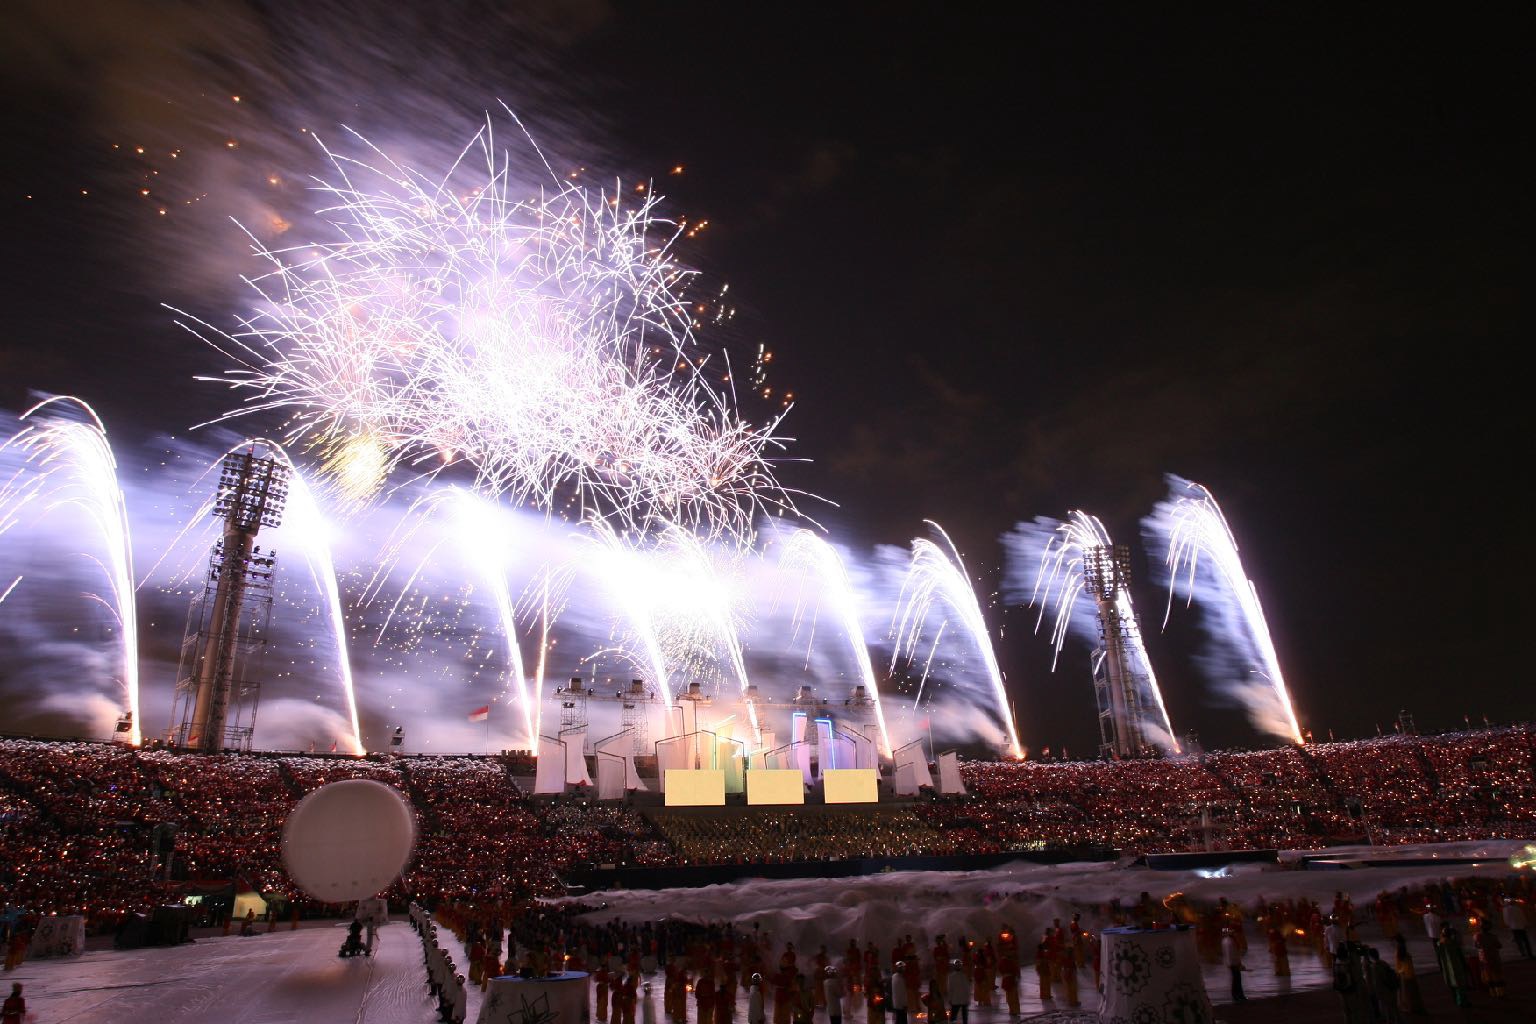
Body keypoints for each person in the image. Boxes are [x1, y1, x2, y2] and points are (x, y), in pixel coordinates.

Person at [1434, 924, 1471, 1009]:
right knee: (1459, 985)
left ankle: (1456, 1001)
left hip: (1446, 968)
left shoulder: (1440, 944)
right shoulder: (1453, 943)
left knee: (1452, 985)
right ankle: (1462, 1002)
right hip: (1456, 965)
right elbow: (1460, 953)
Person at [1392, 935, 1425, 1016]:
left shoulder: (1399, 952)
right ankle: (1415, 1006)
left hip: (1404, 974)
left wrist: (1398, 972)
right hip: (1410, 973)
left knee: (1407, 993)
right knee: (1412, 992)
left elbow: (1398, 965)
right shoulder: (1405, 952)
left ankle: (1410, 1007)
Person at [1367, 949, 1401, 1024]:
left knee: (1386, 1010)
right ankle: (1397, 1021)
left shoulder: (1374, 967)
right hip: (1392, 988)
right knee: (1394, 1008)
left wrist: (1376, 993)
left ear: (1370, 957)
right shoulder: (1384, 963)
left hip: (1384, 990)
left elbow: (1376, 982)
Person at [1474, 924, 1505, 997]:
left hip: (1484, 959)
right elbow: (1499, 945)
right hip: (1494, 958)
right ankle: (1500, 992)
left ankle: (1493, 992)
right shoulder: (1493, 936)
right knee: (1497, 975)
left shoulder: (1477, 936)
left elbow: (1476, 946)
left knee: (1488, 976)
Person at [1221, 927, 1246, 1003]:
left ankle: (1239, 995)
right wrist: (1238, 963)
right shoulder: (1230, 942)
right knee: (1237, 979)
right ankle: (1237, 995)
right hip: (1233, 963)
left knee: (1236, 979)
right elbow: (1232, 953)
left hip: (1232, 962)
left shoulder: (1225, 941)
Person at [946, 959, 970, 1024]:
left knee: (953, 1017)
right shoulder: (964, 976)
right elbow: (967, 988)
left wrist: (950, 999)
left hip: (955, 999)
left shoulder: (951, 977)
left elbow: (950, 989)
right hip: (963, 999)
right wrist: (968, 999)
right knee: (965, 1017)